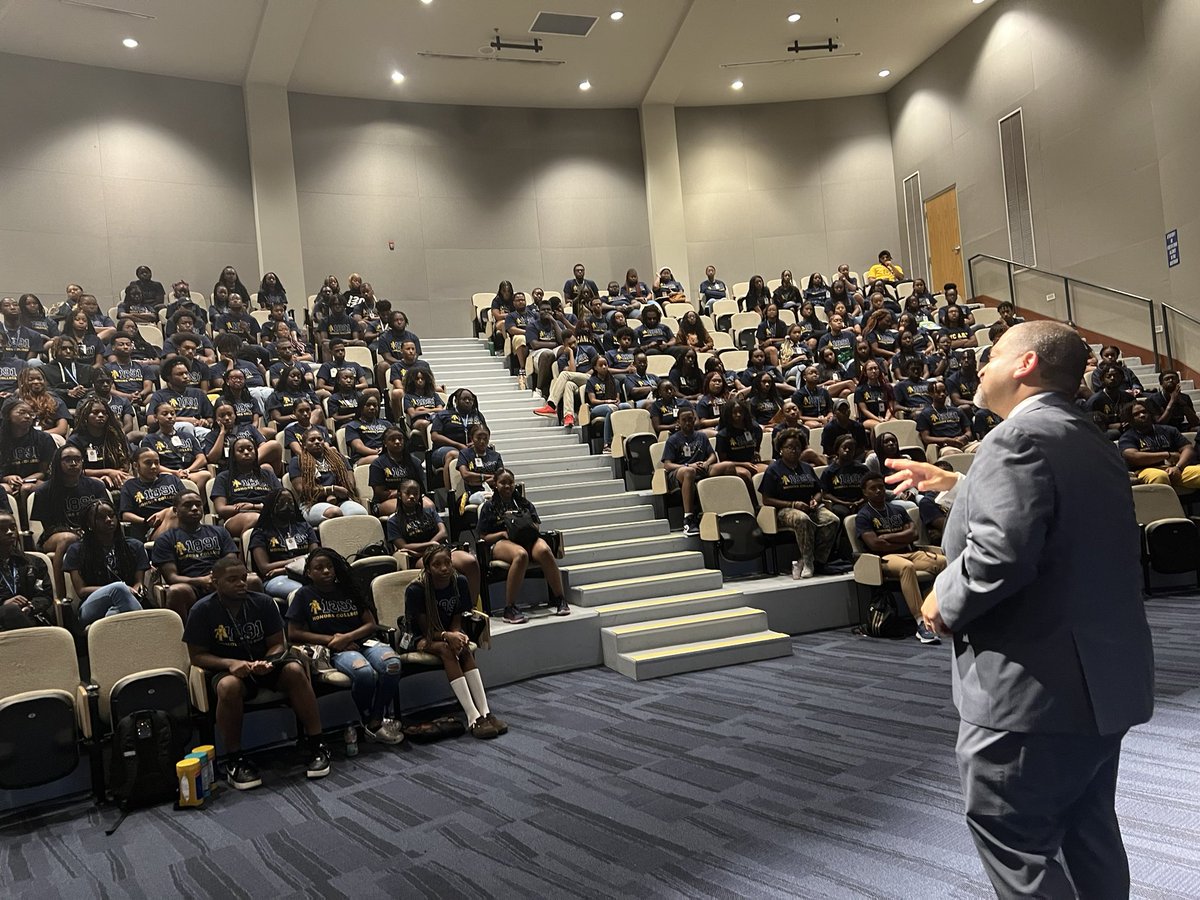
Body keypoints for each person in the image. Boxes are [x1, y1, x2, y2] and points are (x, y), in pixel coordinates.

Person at [884, 321, 1153, 898]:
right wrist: (958, 483)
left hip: (1032, 693)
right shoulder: (1084, 434)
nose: (981, 366)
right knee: (1087, 832)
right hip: (1102, 682)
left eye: (992, 355)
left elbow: (1000, 556)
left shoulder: (1015, 440)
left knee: (1014, 838)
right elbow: (1055, 515)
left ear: (1025, 365)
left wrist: (941, 603)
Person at [185, 556, 331, 789]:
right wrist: (231, 663)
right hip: (229, 670)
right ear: (215, 581)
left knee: (294, 669)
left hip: (264, 665)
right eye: (232, 579)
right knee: (228, 687)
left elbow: (277, 643)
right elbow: (197, 656)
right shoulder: (201, 610)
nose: (241, 583)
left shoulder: (262, 602)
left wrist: (268, 661)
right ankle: (235, 760)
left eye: (243, 578)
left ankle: (317, 745)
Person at [286, 548, 404, 745]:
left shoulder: (349, 588)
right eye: (319, 568)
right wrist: (333, 640)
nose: (326, 571)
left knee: (393, 664)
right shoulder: (304, 595)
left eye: (329, 567)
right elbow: (293, 633)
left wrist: (347, 636)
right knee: (364, 673)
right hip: (335, 650)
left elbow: (370, 624)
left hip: (364, 641)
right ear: (309, 572)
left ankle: (374, 720)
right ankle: (369, 719)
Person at [404, 544, 504, 739]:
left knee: (463, 648)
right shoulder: (416, 589)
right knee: (446, 649)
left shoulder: (460, 582)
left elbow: (457, 617)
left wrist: (457, 634)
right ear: (428, 568)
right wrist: (448, 636)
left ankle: (485, 712)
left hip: (448, 633)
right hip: (422, 638)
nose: (444, 568)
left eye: (447, 563)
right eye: (437, 565)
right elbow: (427, 630)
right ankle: (472, 716)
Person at [477, 468, 567, 624]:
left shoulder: (524, 503)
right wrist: (503, 534)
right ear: (496, 485)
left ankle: (559, 599)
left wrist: (525, 530)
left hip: (527, 539)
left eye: (510, 482)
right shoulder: (489, 507)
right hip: (501, 542)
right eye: (503, 483)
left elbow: (536, 525)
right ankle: (509, 608)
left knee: (545, 550)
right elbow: (483, 536)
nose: (507, 486)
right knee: (521, 555)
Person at [31, 443, 108, 594]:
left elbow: (106, 514)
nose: (73, 463)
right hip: (55, 535)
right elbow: (48, 526)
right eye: (67, 459)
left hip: (92, 531)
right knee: (67, 538)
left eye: (77, 459)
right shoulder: (45, 491)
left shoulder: (96, 485)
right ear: (58, 463)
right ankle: (60, 593)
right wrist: (74, 531)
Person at [152, 491, 241, 621]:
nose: (194, 509)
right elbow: (172, 577)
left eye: (198, 505)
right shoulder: (166, 539)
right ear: (176, 511)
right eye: (188, 505)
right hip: (191, 585)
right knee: (177, 590)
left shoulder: (219, 532)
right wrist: (201, 580)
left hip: (222, 580)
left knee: (252, 581)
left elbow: (232, 563)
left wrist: (218, 579)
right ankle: (184, 639)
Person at [386, 479, 481, 600]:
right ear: (399, 495)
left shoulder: (429, 511)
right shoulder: (393, 521)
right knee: (435, 568)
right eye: (407, 493)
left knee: (470, 562)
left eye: (415, 493)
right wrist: (430, 544)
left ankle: (470, 607)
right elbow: (403, 546)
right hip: (419, 556)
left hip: (441, 550)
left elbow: (443, 533)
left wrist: (433, 545)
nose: (412, 496)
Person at [62, 498, 147, 627]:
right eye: (101, 518)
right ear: (89, 523)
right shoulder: (77, 550)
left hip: (128, 601)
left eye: (112, 515)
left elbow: (138, 582)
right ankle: (145, 630)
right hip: (91, 606)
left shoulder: (135, 546)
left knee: (113, 615)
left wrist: (135, 589)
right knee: (119, 588)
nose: (108, 520)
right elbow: (81, 590)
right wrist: (122, 589)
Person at [660, 407, 722, 536]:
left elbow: (712, 456)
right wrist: (689, 465)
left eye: (690, 419)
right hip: (680, 473)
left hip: (700, 468)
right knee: (689, 472)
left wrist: (706, 463)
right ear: (679, 422)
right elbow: (667, 465)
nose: (688, 423)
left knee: (727, 466)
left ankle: (722, 510)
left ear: (694, 420)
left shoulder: (702, 436)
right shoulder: (673, 439)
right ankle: (688, 519)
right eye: (684, 420)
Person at [1118, 400, 1200, 491]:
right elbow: (1134, 456)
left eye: (1144, 412)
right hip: (1145, 470)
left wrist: (1178, 467)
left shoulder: (1169, 430)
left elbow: (1188, 449)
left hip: (1174, 468)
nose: (1142, 415)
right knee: (1160, 476)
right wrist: (1167, 455)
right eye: (1136, 414)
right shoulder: (1127, 437)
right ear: (1130, 420)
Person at [210, 437, 282, 538]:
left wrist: (254, 507)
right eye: (241, 450)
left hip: (267, 512)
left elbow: (281, 500)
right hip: (235, 517)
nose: (246, 452)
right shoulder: (224, 477)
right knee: (255, 519)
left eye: (250, 449)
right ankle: (245, 553)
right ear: (233, 455)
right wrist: (243, 509)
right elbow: (221, 509)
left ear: (256, 452)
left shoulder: (267, 474)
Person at [0, 512, 54, 631]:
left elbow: (45, 595)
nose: (10, 532)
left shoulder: (34, 562)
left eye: (13, 528)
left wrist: (30, 606)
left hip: (31, 616)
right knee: (11, 610)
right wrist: (5, 604)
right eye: (2, 529)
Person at [119, 447, 185, 539]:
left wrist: (166, 512)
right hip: (153, 528)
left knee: (174, 513)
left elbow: (186, 501)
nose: (154, 466)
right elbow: (125, 515)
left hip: (181, 520)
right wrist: (146, 521)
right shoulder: (130, 486)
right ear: (136, 466)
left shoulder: (171, 479)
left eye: (156, 463)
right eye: (148, 463)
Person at [67, 396, 131, 489]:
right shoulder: (75, 440)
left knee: (132, 483)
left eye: (104, 413)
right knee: (99, 484)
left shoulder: (116, 436)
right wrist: (106, 473)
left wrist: (114, 474)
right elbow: (75, 470)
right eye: (95, 412)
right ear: (86, 416)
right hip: (86, 479)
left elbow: (125, 463)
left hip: (115, 476)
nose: (101, 415)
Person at [0, 398, 55, 500]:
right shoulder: (2, 439)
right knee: (5, 490)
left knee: (26, 488)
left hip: (35, 480)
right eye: (22, 413)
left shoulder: (43, 438)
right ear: (8, 415)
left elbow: (43, 472)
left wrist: (23, 481)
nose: (27, 416)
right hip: (5, 482)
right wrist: (7, 478)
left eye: (31, 414)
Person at [369, 426, 424, 516]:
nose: (397, 442)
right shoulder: (377, 464)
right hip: (384, 501)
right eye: (392, 439)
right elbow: (380, 493)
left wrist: (400, 493)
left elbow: (420, 487)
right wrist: (401, 494)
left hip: (412, 498)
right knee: (404, 508)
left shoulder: (414, 462)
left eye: (400, 439)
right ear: (385, 443)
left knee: (429, 506)